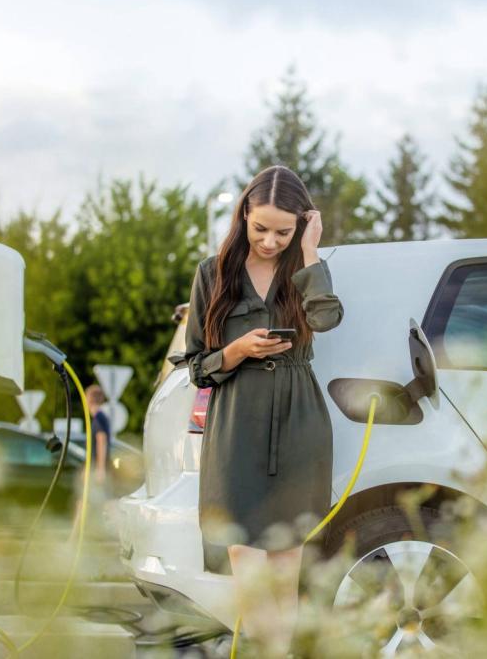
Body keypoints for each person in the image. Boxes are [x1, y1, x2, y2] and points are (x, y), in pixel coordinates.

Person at [184, 164, 344, 655]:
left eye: (284, 231)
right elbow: (196, 366)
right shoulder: (213, 273)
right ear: (243, 216)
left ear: (300, 225)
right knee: (245, 559)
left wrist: (311, 252)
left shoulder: (304, 268)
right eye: (260, 229)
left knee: (284, 566)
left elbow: (327, 317)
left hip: (298, 421)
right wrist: (237, 351)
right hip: (237, 422)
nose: (270, 241)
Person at [85, 384, 111, 485]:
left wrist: (100, 469)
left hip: (97, 468)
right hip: (95, 466)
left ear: (90, 399)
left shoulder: (99, 418)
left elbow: (101, 440)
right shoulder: (101, 416)